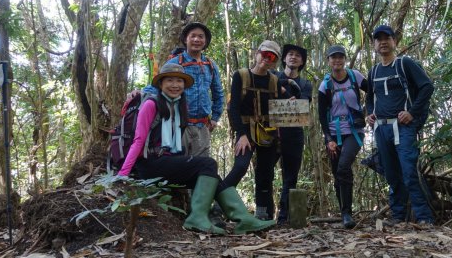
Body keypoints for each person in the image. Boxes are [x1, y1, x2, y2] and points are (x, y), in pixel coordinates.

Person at [118, 63, 275, 235]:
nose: (175, 85)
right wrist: (122, 175)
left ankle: (243, 218)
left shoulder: (178, 105)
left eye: (179, 81)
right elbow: (139, 140)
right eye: (169, 80)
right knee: (208, 164)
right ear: (160, 84)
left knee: (212, 175)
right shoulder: (151, 104)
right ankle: (197, 218)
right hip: (149, 163)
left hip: (166, 161)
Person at [366, 24, 435, 225]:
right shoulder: (373, 72)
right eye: (379, 39)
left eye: (387, 38)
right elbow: (370, 97)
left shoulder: (405, 63)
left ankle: (425, 217)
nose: (383, 42)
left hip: (403, 128)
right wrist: (370, 114)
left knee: (409, 171)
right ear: (375, 45)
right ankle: (398, 216)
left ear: (394, 41)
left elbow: (427, 87)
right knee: (391, 173)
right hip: (381, 128)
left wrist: (412, 113)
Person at [222, 40, 295, 221]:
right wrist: (241, 134)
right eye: (264, 54)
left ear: (276, 62)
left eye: (272, 57)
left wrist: (291, 98)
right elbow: (234, 108)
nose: (267, 59)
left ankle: (263, 215)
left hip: (268, 130)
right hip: (246, 129)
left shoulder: (274, 80)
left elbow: (285, 99)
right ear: (257, 54)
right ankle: (216, 206)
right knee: (240, 167)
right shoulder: (241, 75)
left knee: (265, 173)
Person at [318, 45, 368, 229]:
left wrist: (368, 111)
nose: (337, 61)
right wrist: (328, 139)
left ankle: (347, 213)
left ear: (345, 59)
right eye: (333, 58)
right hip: (334, 133)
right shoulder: (325, 85)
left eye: (340, 57)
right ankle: (344, 213)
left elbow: (373, 92)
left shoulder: (355, 76)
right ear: (329, 61)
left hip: (355, 131)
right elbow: (322, 115)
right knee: (338, 174)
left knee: (344, 166)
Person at [164, 22, 225, 157]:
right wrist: (139, 93)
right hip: (179, 126)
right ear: (186, 39)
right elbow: (157, 88)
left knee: (201, 168)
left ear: (205, 41)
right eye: (193, 36)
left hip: (203, 127)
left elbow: (218, 94)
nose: (197, 39)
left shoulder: (210, 65)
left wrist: (215, 118)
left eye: (201, 36)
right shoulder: (174, 63)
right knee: (177, 167)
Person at [274, 44, 313, 225]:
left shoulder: (306, 84)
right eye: (290, 54)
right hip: (271, 132)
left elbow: (302, 106)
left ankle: (284, 217)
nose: (293, 57)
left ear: (302, 61)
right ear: (284, 58)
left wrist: (286, 101)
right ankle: (263, 214)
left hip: (294, 133)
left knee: (290, 176)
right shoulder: (272, 77)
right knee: (265, 173)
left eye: (298, 56)